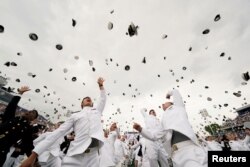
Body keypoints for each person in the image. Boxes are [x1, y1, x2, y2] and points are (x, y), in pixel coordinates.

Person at [20, 77, 106, 167]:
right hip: (75, 155)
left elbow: (102, 99)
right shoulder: (75, 116)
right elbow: (58, 133)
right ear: (81, 104)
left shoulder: (97, 111)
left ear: (92, 103)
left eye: (90, 99)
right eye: (85, 98)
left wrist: (101, 86)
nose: (88, 98)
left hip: (93, 157)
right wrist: (33, 155)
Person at [133, 89, 207, 167]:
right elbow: (153, 136)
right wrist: (141, 129)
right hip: (176, 154)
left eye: (165, 103)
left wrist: (168, 94)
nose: (162, 104)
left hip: (188, 149)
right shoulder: (162, 121)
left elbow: (175, 92)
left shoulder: (178, 107)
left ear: (172, 104)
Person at [0, 86, 38, 166]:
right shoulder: (12, 118)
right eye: (30, 111)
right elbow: (11, 106)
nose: (30, 112)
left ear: (33, 119)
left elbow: (28, 145)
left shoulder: (27, 128)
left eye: (33, 113)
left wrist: (34, 160)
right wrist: (19, 94)